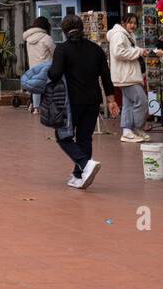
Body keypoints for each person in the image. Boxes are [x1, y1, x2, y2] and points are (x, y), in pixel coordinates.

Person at [47, 13, 118, 189]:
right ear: (83, 28)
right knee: (85, 138)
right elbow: (106, 77)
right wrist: (111, 100)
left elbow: (54, 74)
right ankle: (79, 176)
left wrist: (47, 73)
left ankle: (85, 164)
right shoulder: (96, 49)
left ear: (64, 31)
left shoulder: (62, 49)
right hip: (93, 101)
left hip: (71, 102)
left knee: (63, 137)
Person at [108, 12, 155, 142]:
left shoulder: (127, 35)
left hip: (127, 75)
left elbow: (126, 50)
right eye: (130, 22)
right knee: (142, 101)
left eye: (135, 23)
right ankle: (137, 127)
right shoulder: (119, 35)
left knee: (128, 104)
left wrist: (139, 50)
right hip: (126, 76)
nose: (133, 25)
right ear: (123, 22)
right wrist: (138, 52)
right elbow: (119, 52)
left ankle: (127, 131)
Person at [22, 17, 55, 112]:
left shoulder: (28, 39)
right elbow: (55, 52)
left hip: (33, 68)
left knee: (35, 87)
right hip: (46, 67)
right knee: (48, 87)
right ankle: (42, 107)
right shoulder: (46, 38)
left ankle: (35, 107)